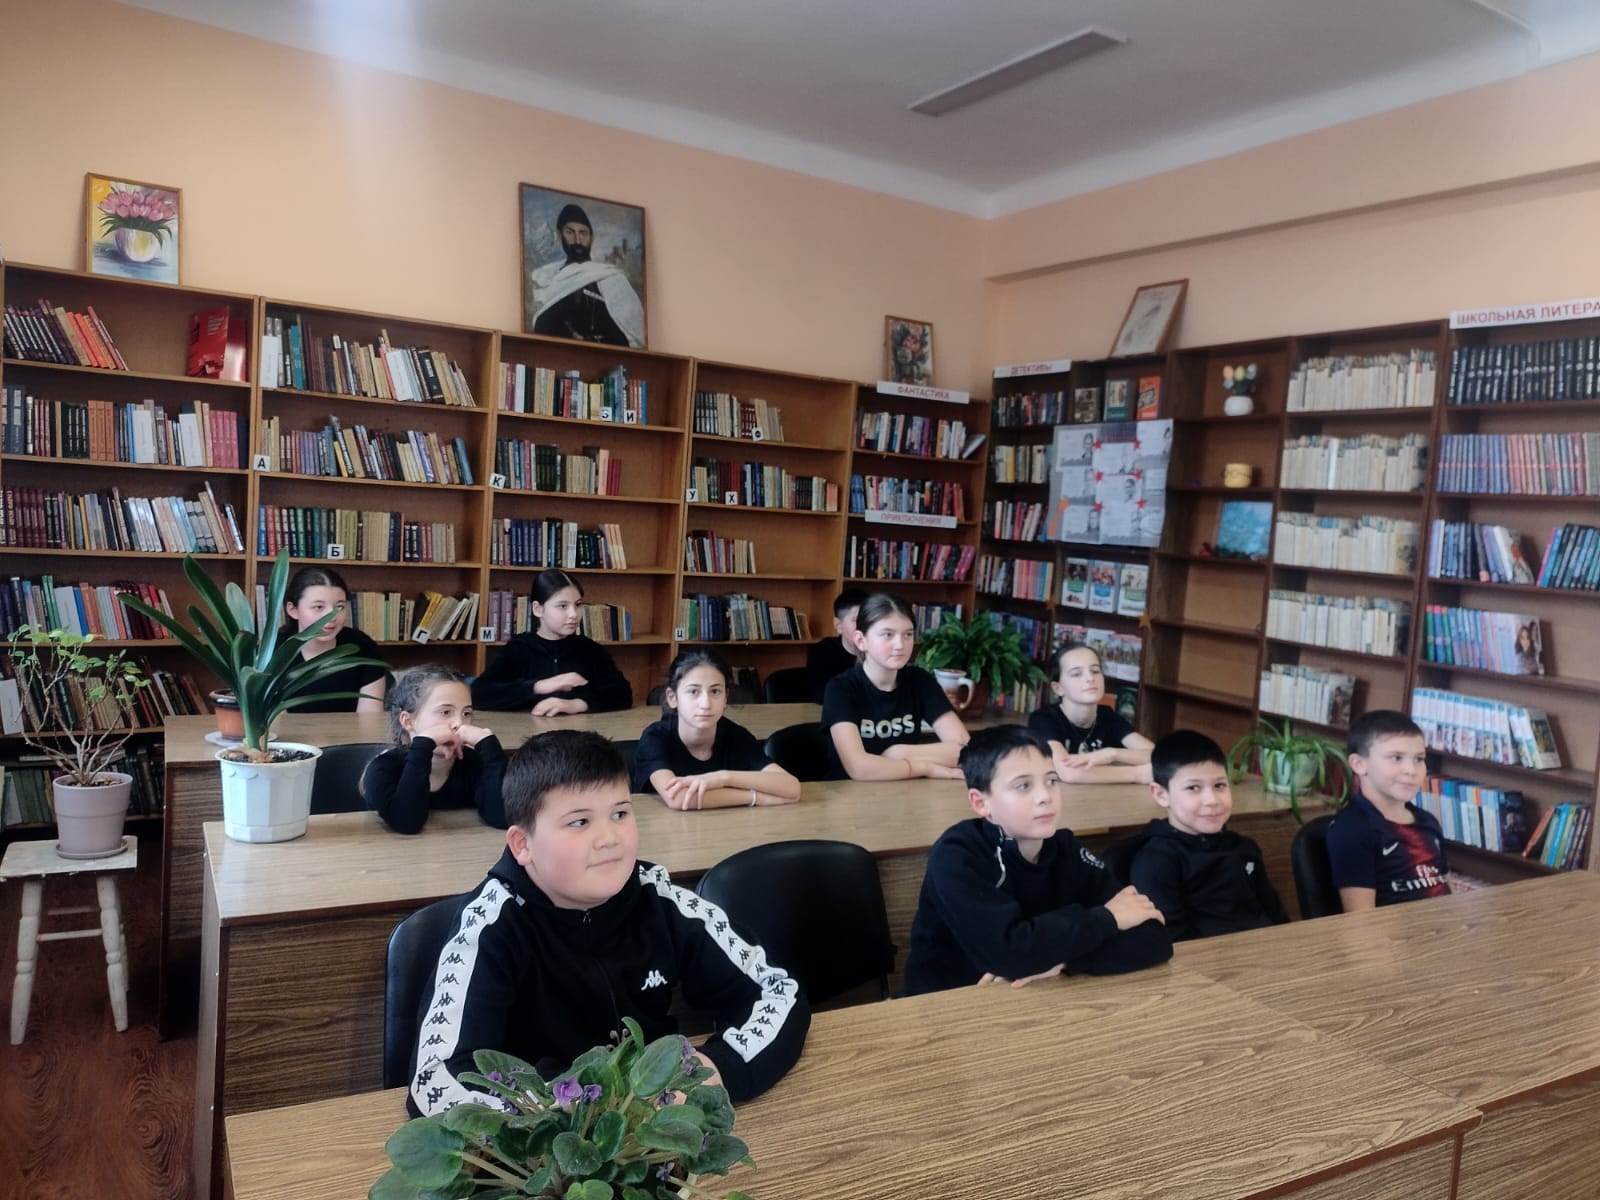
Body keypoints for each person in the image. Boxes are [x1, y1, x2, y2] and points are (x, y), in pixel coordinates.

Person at [405, 730, 809, 1117]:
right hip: (548, 1142)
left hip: (660, 1129)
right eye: (580, 822)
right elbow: (434, 1079)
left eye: (620, 814)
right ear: (523, 844)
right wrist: (558, 1116)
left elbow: (778, 991)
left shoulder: (660, 897)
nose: (610, 839)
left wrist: (719, 1068)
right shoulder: (488, 926)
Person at [901, 725, 1171, 996]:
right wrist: (1108, 918)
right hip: (947, 1002)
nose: (1045, 797)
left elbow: (1154, 939)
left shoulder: (1066, 848)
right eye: (1023, 786)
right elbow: (1009, 954)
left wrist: (1063, 962)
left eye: (1051, 781)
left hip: (1038, 997)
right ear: (981, 803)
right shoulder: (957, 855)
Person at [1128, 730, 1290, 941]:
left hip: (1264, 951)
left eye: (1219, 786)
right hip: (1208, 958)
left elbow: (1276, 917)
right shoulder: (1156, 861)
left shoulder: (1245, 847)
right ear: (1161, 794)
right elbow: (1172, 939)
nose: (1212, 800)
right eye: (1193, 788)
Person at [821, 592, 968, 781]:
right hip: (849, 793)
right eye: (887, 635)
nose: (900, 645)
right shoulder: (840, 688)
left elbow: (966, 750)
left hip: (907, 790)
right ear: (861, 641)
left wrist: (898, 753)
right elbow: (859, 769)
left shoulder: (920, 681)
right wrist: (925, 768)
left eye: (908, 634)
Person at [634, 650, 801, 809]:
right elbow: (678, 798)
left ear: (725, 697)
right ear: (672, 698)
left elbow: (791, 787)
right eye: (693, 691)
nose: (706, 704)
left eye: (715, 691)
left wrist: (723, 777)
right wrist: (755, 797)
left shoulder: (737, 736)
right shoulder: (655, 737)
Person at [1326, 710, 1450, 911]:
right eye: (1396, 758)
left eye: (1419, 759)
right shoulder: (1352, 830)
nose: (1411, 770)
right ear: (1359, 764)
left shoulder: (1428, 822)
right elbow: (1362, 919)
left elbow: (1447, 893)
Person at [362, 665, 507, 835]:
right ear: (408, 721)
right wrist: (424, 745)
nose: (459, 723)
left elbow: (501, 817)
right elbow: (407, 823)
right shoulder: (384, 768)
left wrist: (489, 747)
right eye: (445, 712)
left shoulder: (474, 763)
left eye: (466, 713)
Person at [472, 569, 631, 714]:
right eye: (562, 606)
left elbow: (622, 694)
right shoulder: (518, 649)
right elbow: (478, 694)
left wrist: (576, 704)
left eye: (578, 605)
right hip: (528, 731)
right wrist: (538, 686)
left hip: (581, 731)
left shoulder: (590, 650)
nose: (573, 614)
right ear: (538, 609)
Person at [1028, 643, 1153, 783]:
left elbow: (1157, 756)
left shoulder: (1108, 716)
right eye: (1076, 674)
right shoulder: (1044, 719)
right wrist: (1137, 774)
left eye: (1095, 671)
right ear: (1058, 688)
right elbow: (1068, 772)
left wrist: (1112, 754)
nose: (1090, 678)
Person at [529, 203, 645, 347]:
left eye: (583, 233)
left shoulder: (611, 278)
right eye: (570, 232)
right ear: (559, 235)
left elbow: (633, 338)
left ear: (591, 237)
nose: (578, 240)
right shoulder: (546, 279)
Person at [279, 565, 387, 713]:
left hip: (353, 729)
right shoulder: (274, 652)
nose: (332, 616)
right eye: (318, 607)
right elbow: (274, 723)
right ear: (293, 610)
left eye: (339, 607)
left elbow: (369, 719)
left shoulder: (362, 646)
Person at [805, 587, 867, 703]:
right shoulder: (823, 651)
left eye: (869, 619)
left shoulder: (880, 650)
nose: (865, 626)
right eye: (856, 620)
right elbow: (821, 695)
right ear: (838, 625)